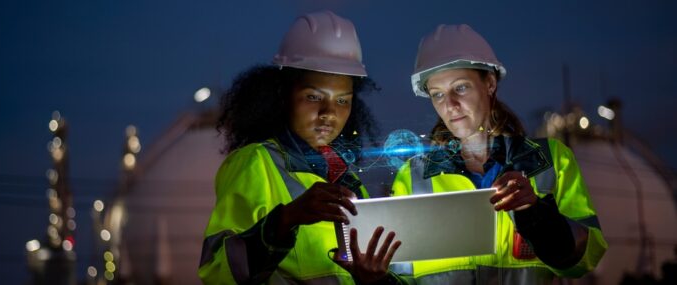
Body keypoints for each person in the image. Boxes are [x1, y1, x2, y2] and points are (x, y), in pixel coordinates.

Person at [388, 24, 608, 284]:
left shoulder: (550, 160)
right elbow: (399, 276)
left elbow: (584, 259)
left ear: (489, 83)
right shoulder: (413, 177)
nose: (450, 105)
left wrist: (535, 214)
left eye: (460, 88)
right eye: (437, 94)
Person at [198, 11, 402, 284]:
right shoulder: (256, 163)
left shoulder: (350, 183)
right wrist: (286, 219)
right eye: (313, 96)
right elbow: (216, 271)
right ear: (283, 95)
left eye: (342, 101)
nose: (328, 113)